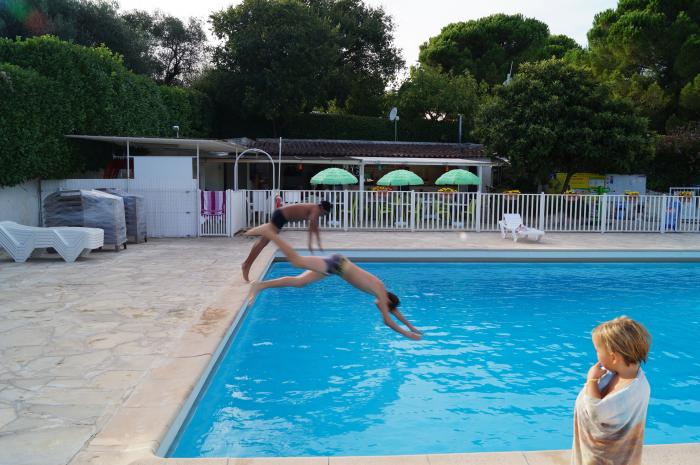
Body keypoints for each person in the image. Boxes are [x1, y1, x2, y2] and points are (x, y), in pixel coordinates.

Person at [245, 223, 422, 340]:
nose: (379, 306)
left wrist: (411, 326)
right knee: (297, 261)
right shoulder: (381, 294)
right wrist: (406, 334)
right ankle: (270, 233)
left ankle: (260, 285)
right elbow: (388, 321)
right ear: (388, 301)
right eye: (384, 306)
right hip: (337, 265)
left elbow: (395, 313)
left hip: (336, 269)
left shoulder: (382, 293)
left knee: (299, 282)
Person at [572, 316, 652, 465]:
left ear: (614, 357)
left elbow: (596, 413)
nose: (596, 355)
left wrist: (592, 380)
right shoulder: (616, 373)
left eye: (597, 350)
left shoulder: (631, 391)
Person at [242, 200, 331, 281]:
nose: (323, 216)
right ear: (322, 208)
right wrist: (310, 244)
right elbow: (312, 227)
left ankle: (247, 263)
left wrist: (318, 242)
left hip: (281, 215)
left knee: (263, 241)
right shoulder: (316, 210)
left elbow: (314, 227)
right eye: (324, 214)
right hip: (281, 216)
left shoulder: (315, 208)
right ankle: (246, 265)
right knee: (263, 242)